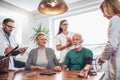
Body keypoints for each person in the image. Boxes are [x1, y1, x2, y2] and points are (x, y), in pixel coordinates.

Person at [97, 0, 120, 80]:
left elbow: (112, 44)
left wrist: (102, 58)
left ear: (108, 9)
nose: (104, 15)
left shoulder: (115, 19)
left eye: (103, 12)